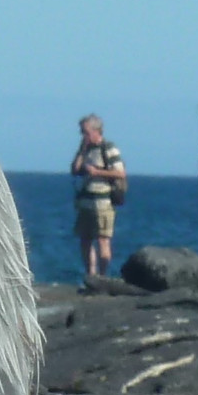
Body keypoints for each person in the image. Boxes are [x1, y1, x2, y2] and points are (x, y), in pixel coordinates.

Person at [69, 114, 126, 278]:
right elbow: (75, 170)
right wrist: (81, 152)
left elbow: (120, 173)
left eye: (86, 132)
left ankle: (102, 275)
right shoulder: (86, 149)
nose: (83, 136)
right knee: (85, 239)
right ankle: (90, 274)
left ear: (96, 131)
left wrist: (97, 172)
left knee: (103, 239)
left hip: (103, 201)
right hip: (86, 201)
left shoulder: (108, 148)